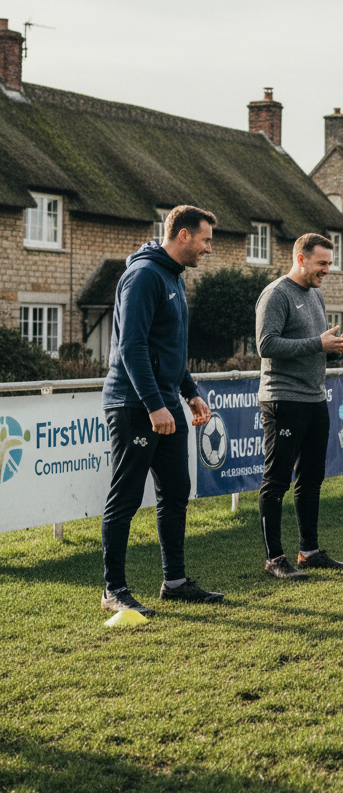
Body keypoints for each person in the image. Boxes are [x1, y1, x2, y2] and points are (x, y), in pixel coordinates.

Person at [100, 205, 224, 616]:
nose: (209, 248)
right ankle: (113, 589)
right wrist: (155, 405)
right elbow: (131, 347)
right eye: (205, 239)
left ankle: (174, 582)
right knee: (126, 497)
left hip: (166, 401)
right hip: (134, 404)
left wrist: (189, 392)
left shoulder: (172, 277)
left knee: (175, 491)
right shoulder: (143, 275)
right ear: (184, 235)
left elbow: (168, 348)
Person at [255, 233, 343, 579]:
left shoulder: (315, 294)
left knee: (311, 478)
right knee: (277, 480)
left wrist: (335, 345)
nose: (327, 269)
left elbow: (312, 345)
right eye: (322, 263)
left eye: (330, 263)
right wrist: (318, 342)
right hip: (283, 398)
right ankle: (274, 559)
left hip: (315, 398)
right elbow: (266, 345)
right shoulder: (276, 294)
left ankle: (309, 551)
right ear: (301, 258)